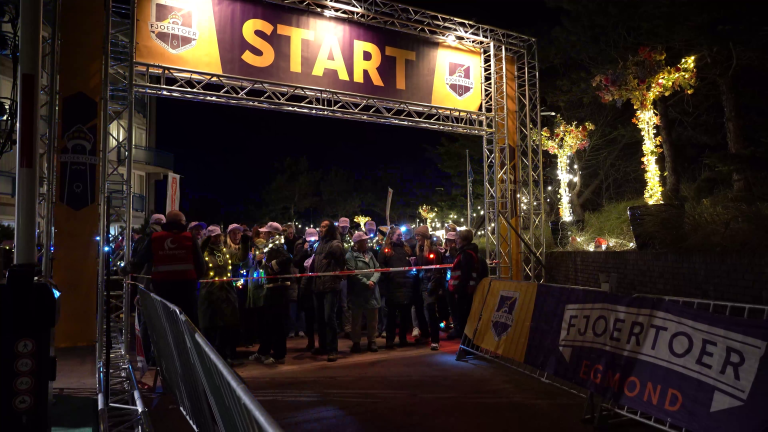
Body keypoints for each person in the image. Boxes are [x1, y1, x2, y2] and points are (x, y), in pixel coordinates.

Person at [133, 211, 205, 326]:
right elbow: (201, 265)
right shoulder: (189, 238)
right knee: (190, 324)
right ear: (182, 223)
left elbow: (139, 261)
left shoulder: (155, 238)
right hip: (187, 290)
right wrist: (194, 282)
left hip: (162, 289)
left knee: (165, 325)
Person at [246, 222, 292, 365]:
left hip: (277, 289)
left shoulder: (277, 246)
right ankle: (266, 351)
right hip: (273, 287)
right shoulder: (271, 246)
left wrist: (272, 266)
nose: (263, 234)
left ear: (272, 234)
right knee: (272, 322)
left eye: (265, 232)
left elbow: (287, 258)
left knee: (275, 322)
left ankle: (277, 354)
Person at [198, 226, 242, 366]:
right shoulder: (203, 252)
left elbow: (240, 257)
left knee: (225, 326)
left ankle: (223, 357)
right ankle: (209, 360)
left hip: (225, 293)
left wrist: (245, 243)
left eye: (219, 236)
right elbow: (198, 260)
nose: (217, 239)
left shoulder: (225, 251)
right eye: (214, 236)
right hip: (209, 294)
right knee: (209, 327)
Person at [312, 218, 346, 362]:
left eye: (325, 227)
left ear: (331, 230)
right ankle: (323, 346)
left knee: (329, 317)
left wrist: (331, 253)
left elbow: (338, 250)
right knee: (320, 318)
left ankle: (333, 350)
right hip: (318, 286)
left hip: (331, 286)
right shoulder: (319, 245)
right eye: (320, 226)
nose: (321, 229)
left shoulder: (335, 243)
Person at [377, 226, 413, 349]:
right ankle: (390, 339)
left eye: (401, 234)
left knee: (404, 315)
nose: (400, 236)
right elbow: (381, 268)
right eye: (398, 235)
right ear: (391, 236)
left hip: (406, 286)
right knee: (391, 316)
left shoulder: (406, 249)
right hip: (392, 287)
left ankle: (403, 338)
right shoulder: (386, 251)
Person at [345, 232, 381, 353]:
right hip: (357, 292)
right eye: (364, 241)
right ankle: (356, 342)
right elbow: (352, 272)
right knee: (356, 320)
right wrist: (366, 282)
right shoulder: (350, 256)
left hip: (372, 292)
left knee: (372, 319)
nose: (366, 243)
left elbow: (378, 269)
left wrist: (373, 280)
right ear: (357, 243)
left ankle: (372, 341)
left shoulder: (370, 254)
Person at [412, 225, 445, 350]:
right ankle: (425, 335)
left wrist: (432, 285)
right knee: (419, 310)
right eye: (415, 235)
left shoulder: (433, 250)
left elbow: (437, 270)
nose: (416, 237)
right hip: (420, 283)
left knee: (431, 312)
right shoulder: (418, 250)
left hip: (429, 284)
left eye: (418, 235)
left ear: (424, 237)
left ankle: (435, 340)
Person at [447, 229, 480, 340]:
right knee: (463, 317)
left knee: (464, 318)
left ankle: (467, 344)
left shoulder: (466, 254)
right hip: (463, 290)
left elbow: (465, 275)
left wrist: (459, 291)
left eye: (458, 238)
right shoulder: (465, 252)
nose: (456, 240)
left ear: (464, 240)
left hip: (463, 292)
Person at [294, 228, 318, 350]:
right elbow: (296, 262)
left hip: (318, 282)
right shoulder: (300, 246)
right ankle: (310, 341)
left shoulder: (321, 246)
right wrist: (304, 250)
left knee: (319, 314)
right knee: (308, 313)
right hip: (306, 284)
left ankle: (321, 342)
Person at [338, 217, 352, 338]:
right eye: (342, 226)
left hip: (346, 276)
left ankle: (347, 328)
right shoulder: (334, 239)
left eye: (346, 227)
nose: (344, 229)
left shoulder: (350, 240)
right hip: (335, 275)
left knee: (345, 303)